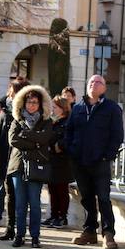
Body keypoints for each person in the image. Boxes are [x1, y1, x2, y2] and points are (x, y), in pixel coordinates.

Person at [67, 75, 124, 249]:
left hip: (101, 162)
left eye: (98, 82)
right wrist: (72, 151)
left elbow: (117, 135)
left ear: (104, 88)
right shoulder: (77, 108)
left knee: (104, 198)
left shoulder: (111, 108)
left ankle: (108, 234)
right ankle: (89, 231)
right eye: (91, 82)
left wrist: (108, 155)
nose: (93, 84)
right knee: (86, 198)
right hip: (80, 161)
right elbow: (69, 132)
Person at [8, 85, 55, 248]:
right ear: (23, 103)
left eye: (35, 102)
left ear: (40, 104)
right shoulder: (17, 119)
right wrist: (35, 142)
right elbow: (13, 140)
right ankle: (19, 235)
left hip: (37, 166)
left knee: (34, 203)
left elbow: (45, 139)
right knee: (20, 204)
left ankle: (35, 236)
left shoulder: (46, 121)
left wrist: (28, 136)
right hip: (18, 166)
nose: (31, 105)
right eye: (29, 102)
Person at [0, 77, 30, 237]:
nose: (11, 96)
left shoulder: (27, 111)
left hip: (20, 159)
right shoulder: (4, 109)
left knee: (21, 195)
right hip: (5, 158)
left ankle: (21, 229)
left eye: (14, 93)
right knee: (9, 195)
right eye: (10, 92)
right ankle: (10, 227)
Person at [43, 95, 73, 228]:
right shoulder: (53, 121)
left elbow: (68, 140)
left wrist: (57, 146)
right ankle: (54, 215)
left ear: (62, 108)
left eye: (55, 107)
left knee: (61, 190)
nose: (52, 109)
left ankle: (62, 216)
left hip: (62, 163)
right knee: (52, 189)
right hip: (51, 161)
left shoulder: (68, 122)